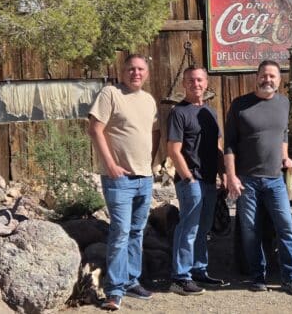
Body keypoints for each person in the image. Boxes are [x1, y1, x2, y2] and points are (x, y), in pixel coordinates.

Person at [224, 60, 292, 295]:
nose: (267, 80)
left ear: (279, 80)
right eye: (264, 75)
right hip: (247, 180)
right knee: (251, 231)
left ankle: (291, 278)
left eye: (272, 76)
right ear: (256, 77)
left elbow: (283, 134)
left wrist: (285, 156)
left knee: (286, 227)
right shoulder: (240, 105)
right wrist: (231, 176)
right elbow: (229, 144)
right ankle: (257, 277)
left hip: (275, 179)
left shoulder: (283, 103)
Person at [88, 54, 160, 311]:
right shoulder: (110, 93)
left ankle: (131, 280)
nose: (136, 73)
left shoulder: (149, 100)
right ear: (123, 70)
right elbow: (95, 128)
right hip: (119, 179)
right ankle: (114, 290)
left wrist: (149, 164)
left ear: (147, 73)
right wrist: (109, 164)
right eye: (131, 69)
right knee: (119, 233)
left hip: (144, 178)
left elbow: (154, 131)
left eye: (141, 69)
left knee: (137, 232)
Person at [167, 67, 228, 296]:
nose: (196, 84)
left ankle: (199, 270)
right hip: (190, 180)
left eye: (200, 80)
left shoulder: (210, 113)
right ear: (184, 83)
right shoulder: (178, 112)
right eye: (191, 80)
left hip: (209, 180)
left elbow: (218, 147)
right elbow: (173, 150)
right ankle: (180, 277)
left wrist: (223, 174)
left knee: (203, 229)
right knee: (188, 228)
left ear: (206, 83)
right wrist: (188, 177)